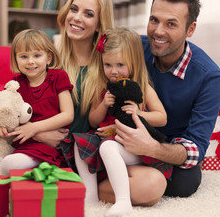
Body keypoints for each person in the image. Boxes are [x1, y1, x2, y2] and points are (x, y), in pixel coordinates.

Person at [98, 0, 220, 205]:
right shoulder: (133, 49)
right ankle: (103, 179)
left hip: (164, 145)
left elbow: (195, 147)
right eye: (154, 20)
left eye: (171, 24)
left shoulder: (209, 76)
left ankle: (114, 180)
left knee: (184, 183)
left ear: (190, 29)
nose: (158, 31)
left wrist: (152, 148)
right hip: (118, 136)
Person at [72, 27, 172, 217]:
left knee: (108, 148)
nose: (113, 71)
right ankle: (90, 194)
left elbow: (162, 118)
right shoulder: (103, 87)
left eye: (120, 64)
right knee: (80, 144)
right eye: (108, 65)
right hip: (108, 141)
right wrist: (103, 105)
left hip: (132, 145)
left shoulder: (143, 88)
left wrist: (138, 113)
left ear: (133, 62)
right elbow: (93, 121)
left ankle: (123, 201)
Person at [0, 29, 74, 176]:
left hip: (53, 146)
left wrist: (34, 128)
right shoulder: (15, 85)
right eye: (24, 56)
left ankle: (2, 182)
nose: (30, 61)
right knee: (7, 163)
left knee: (8, 164)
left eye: (37, 55)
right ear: (16, 60)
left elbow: (68, 115)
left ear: (48, 58)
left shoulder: (58, 77)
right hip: (25, 146)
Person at [56, 0, 114, 168]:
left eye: (88, 14)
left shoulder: (109, 68)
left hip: (91, 156)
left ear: (99, 25)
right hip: (51, 150)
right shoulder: (49, 62)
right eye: (74, 9)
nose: (76, 18)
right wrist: (38, 134)